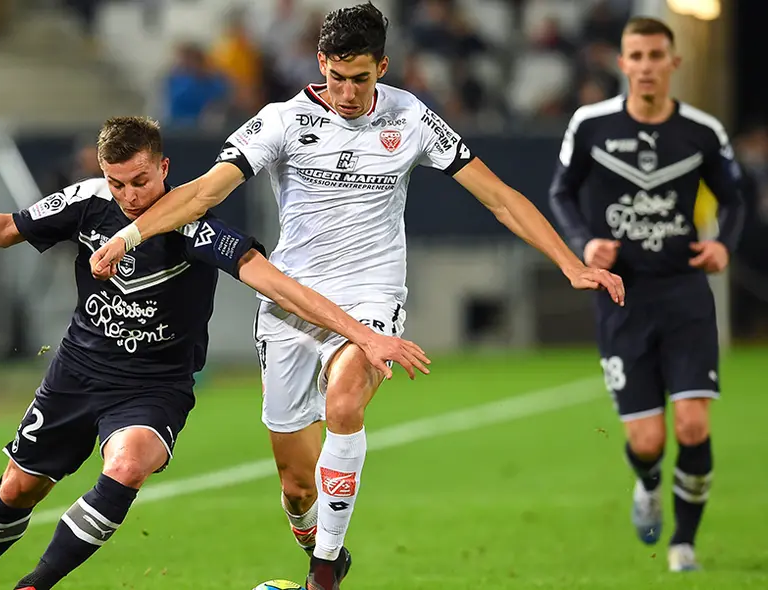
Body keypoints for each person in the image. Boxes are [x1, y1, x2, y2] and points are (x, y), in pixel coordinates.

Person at [89, 4, 625, 589]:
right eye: (337, 76)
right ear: (321, 63)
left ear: (383, 68)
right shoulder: (280, 121)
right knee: (297, 490)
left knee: (346, 402)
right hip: (292, 303)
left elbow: (498, 196)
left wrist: (571, 265)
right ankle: (321, 545)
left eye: (361, 78)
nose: (347, 92)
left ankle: (323, 574)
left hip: (372, 297)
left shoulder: (412, 118)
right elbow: (199, 194)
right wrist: (130, 234)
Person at [0, 116, 430, 590]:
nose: (129, 196)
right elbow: (6, 227)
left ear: (164, 168)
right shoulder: (87, 201)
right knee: (18, 489)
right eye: (117, 183)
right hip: (77, 372)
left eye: (140, 181)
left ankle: (35, 585)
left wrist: (363, 334)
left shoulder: (194, 225)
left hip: (155, 387)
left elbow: (282, 287)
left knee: (127, 465)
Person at [547, 17, 745, 572]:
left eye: (657, 55)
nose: (647, 65)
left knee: (692, 426)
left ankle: (683, 543)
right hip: (620, 297)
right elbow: (561, 192)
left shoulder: (702, 131)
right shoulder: (590, 125)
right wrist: (585, 243)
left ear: (673, 63)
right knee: (649, 440)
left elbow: (734, 199)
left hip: (684, 292)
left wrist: (723, 246)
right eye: (636, 55)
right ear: (623, 63)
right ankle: (649, 486)